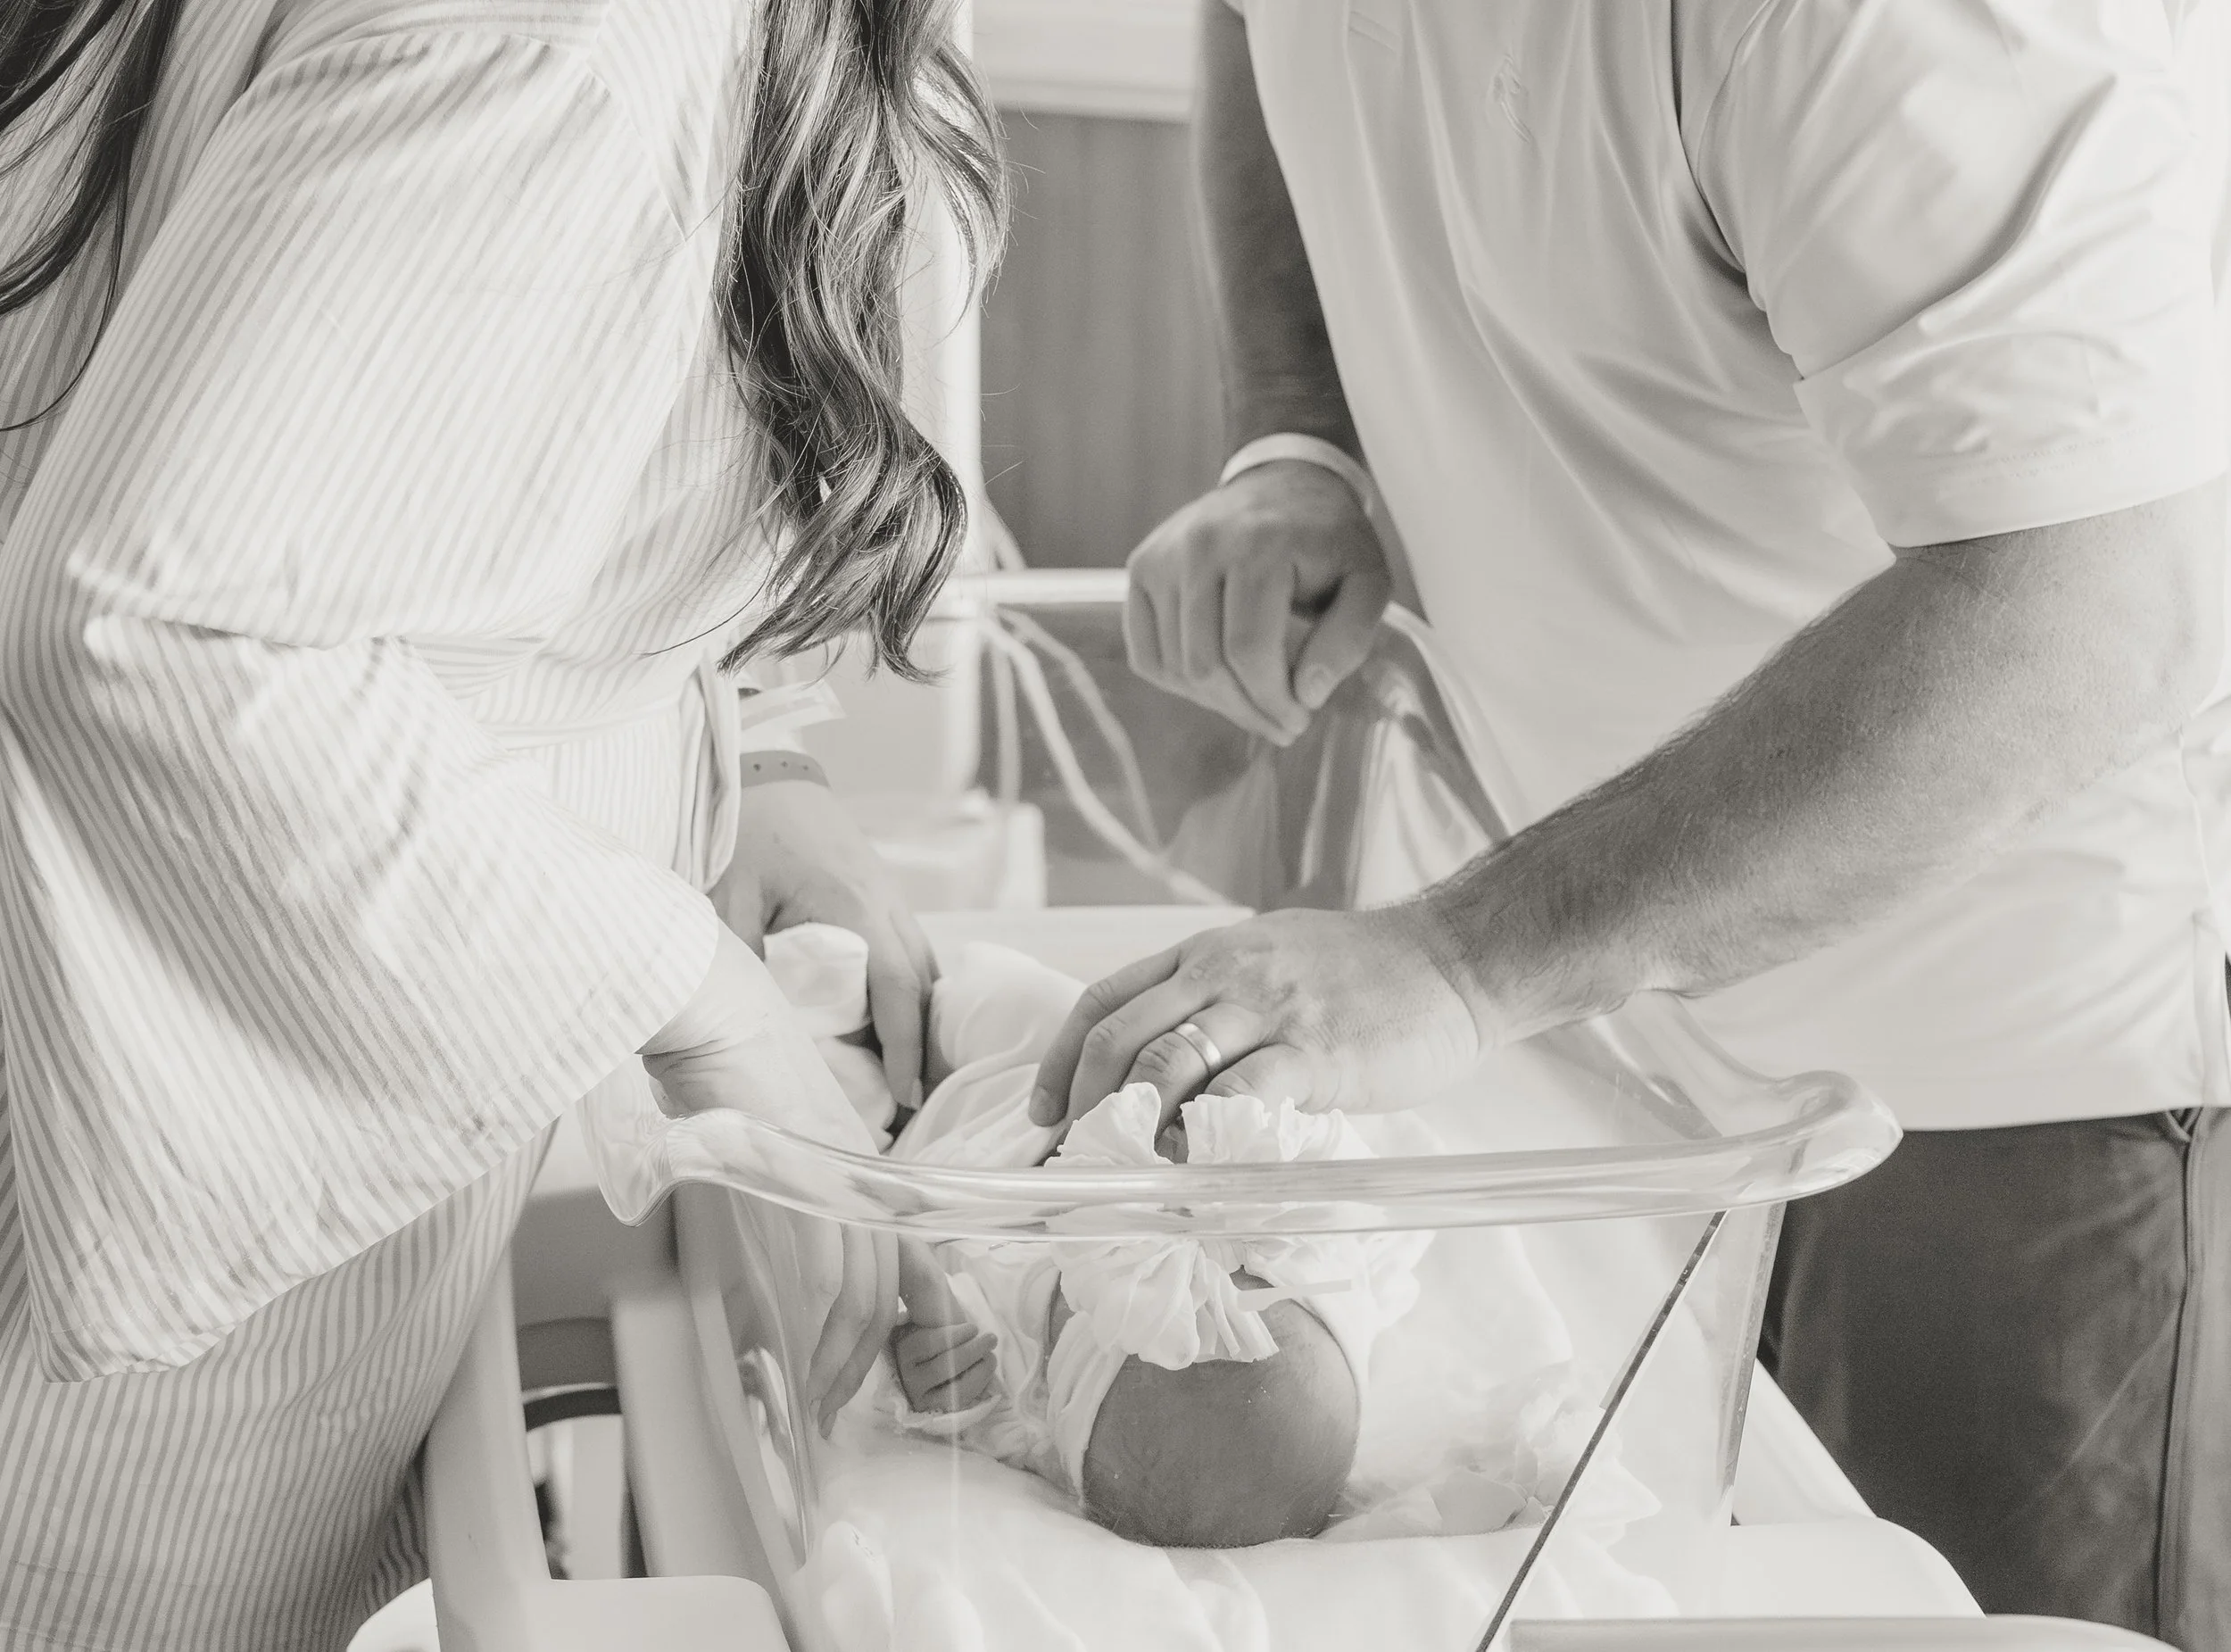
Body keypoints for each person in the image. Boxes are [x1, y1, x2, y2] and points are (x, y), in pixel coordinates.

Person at [1030, 3, 2231, 1645]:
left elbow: (2100, 596)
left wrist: (1462, 958)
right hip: (1630, 1017)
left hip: (2024, 1072)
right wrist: (1298, 432)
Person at [0, 0, 1000, 1646]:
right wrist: (705, 1007)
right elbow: (149, 628)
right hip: (147, 1222)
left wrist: (750, 747)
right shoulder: (579, 47)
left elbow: (426, 424)